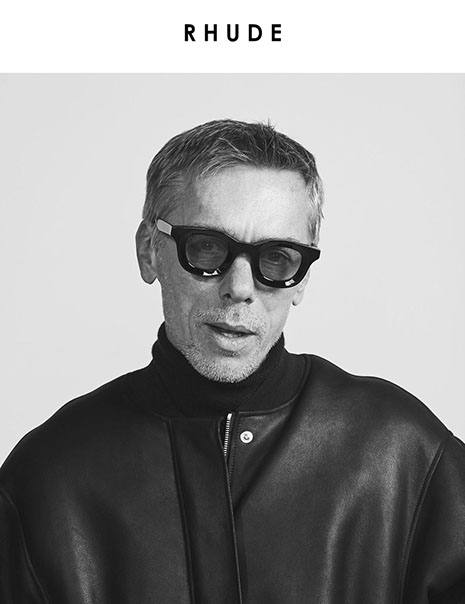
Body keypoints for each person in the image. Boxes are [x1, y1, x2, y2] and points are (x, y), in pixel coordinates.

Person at [1, 119, 464, 603]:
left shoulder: (405, 453)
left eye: (277, 258)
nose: (240, 289)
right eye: (207, 248)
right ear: (149, 251)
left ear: (303, 278)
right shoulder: (47, 478)